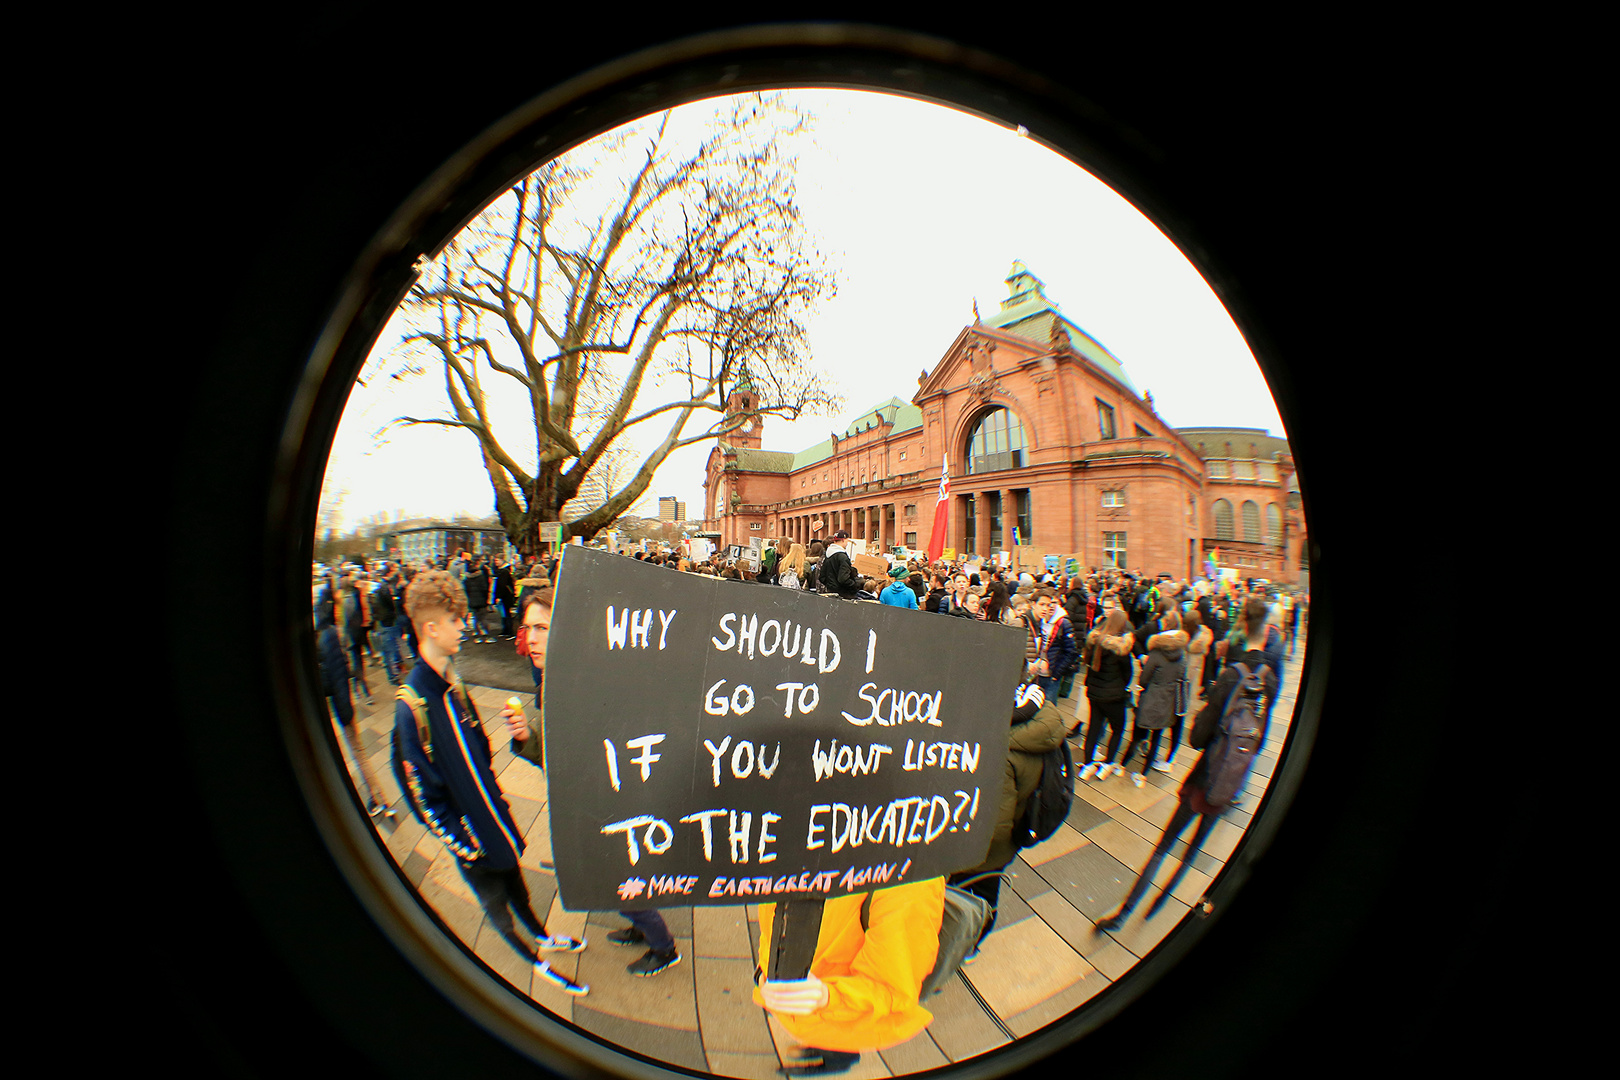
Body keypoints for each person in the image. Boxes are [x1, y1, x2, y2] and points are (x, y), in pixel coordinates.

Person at [390, 570, 589, 996]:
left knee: (517, 886)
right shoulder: (411, 708)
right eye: (455, 619)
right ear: (430, 628)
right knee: (497, 906)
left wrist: (497, 798)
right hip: (473, 839)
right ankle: (536, 963)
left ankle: (541, 935)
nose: (464, 626)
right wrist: (465, 844)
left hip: (494, 820)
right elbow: (422, 796)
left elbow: (478, 750)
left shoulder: (455, 685)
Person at [503, 589, 681, 979]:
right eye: (527, 627)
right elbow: (557, 753)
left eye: (541, 627)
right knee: (615, 879)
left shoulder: (581, 682)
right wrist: (525, 738)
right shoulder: (553, 678)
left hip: (605, 805)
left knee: (608, 879)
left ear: (563, 629)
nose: (529, 637)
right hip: (585, 802)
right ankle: (643, 927)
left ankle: (664, 948)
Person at [1094, 607, 1277, 933]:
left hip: (1205, 775)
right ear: (1267, 631)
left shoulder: (1232, 675)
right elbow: (1260, 738)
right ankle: (1161, 903)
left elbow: (1198, 736)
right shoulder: (1270, 680)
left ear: (1242, 627)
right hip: (1231, 779)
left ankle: (1125, 913)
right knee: (1193, 852)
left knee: (1165, 845)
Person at [753, 877, 947, 1076]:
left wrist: (827, 998)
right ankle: (824, 1046)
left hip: (843, 1012)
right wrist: (765, 968)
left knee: (840, 1042)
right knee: (826, 1037)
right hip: (810, 1006)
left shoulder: (909, 879)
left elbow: (891, 987)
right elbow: (773, 919)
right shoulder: (791, 852)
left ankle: (837, 1061)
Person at [947, 682, 1066, 957]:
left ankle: (964, 945)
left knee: (969, 896)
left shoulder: (1003, 751)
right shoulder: (1045, 718)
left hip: (984, 849)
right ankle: (973, 942)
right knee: (988, 891)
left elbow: (994, 828)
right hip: (1016, 833)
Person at [315, 589, 392, 818]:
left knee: (354, 751)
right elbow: (340, 675)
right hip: (338, 704)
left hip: (334, 705)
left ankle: (374, 798)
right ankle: (375, 798)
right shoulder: (329, 635)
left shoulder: (324, 634)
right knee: (356, 750)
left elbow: (337, 675)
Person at [1118, 610, 1188, 788]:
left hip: (1150, 700)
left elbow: (1143, 679)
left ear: (1165, 624)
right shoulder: (1182, 655)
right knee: (1156, 737)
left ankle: (1121, 765)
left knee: (1137, 735)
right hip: (1168, 701)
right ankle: (1143, 775)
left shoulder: (1156, 653)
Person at [1078, 608, 1136, 777]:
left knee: (1093, 728)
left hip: (1094, 693)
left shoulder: (1094, 641)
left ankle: (1087, 765)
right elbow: (1128, 674)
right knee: (1118, 729)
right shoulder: (1120, 649)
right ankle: (1108, 764)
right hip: (1113, 696)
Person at [819, 531, 860, 599]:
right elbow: (843, 579)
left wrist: (831, 586)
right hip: (844, 595)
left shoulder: (828, 555)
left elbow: (822, 577)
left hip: (831, 594)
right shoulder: (843, 557)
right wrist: (855, 585)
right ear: (843, 540)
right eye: (847, 541)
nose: (847, 544)